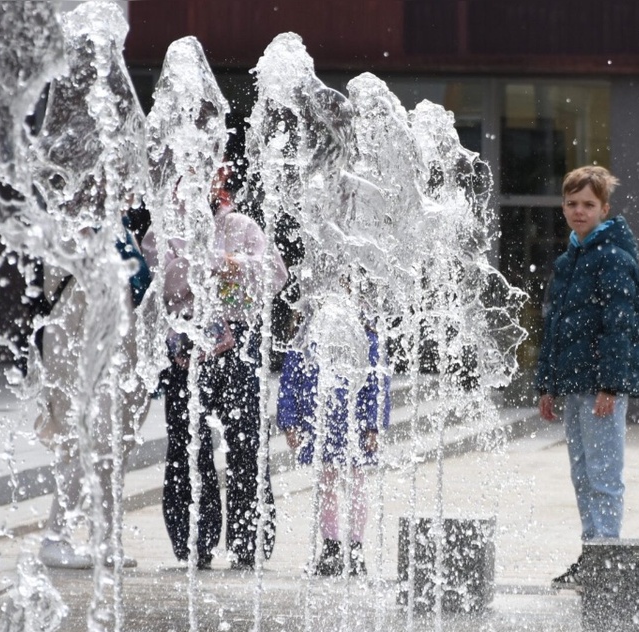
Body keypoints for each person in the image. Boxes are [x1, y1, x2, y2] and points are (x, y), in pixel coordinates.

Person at [150, 166, 289, 569]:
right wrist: (218, 263)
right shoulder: (164, 227)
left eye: (208, 172)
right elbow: (162, 281)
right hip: (186, 345)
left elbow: (275, 274)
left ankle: (249, 543)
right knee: (187, 445)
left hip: (238, 343)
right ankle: (194, 543)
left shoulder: (241, 225)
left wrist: (229, 265)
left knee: (247, 443)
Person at [536, 166, 639, 591]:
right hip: (574, 385)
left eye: (588, 204)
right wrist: (547, 385)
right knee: (582, 474)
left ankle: (606, 556)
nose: (578, 211)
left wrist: (611, 386)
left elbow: (621, 327)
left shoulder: (613, 258)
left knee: (603, 475)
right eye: (571, 203)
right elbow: (553, 327)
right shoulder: (570, 261)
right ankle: (592, 554)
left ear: (604, 208)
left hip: (600, 389)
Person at [35, 217, 152, 569]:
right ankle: (55, 537)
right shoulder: (69, 224)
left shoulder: (121, 229)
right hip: (80, 346)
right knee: (90, 441)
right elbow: (57, 279)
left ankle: (106, 539)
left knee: (115, 446)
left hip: (121, 352)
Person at [277, 317, 390, 577]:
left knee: (355, 484)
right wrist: (289, 422)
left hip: (355, 424)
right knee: (326, 485)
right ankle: (330, 546)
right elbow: (289, 382)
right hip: (320, 424)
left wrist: (373, 425)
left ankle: (355, 547)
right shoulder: (306, 338)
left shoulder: (366, 339)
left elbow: (377, 384)